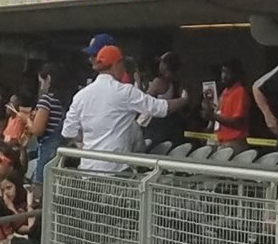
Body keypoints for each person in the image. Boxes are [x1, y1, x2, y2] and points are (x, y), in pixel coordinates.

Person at [61, 44, 190, 172]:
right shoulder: (125, 92)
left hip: (89, 168)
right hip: (117, 169)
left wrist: (92, 139)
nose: (124, 70)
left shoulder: (81, 96)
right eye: (122, 65)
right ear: (116, 64)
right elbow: (160, 108)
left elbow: (68, 131)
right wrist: (184, 100)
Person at [28, 58, 80, 184]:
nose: (41, 86)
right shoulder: (70, 100)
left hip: (47, 151)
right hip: (64, 151)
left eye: (41, 82)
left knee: (41, 186)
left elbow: (37, 130)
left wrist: (27, 119)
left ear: (49, 79)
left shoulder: (46, 100)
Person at [142, 52, 190, 149]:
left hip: (156, 125)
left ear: (165, 65)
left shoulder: (159, 82)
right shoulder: (177, 83)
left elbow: (144, 101)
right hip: (173, 123)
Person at [210, 60, 251, 149]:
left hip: (234, 142)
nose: (223, 76)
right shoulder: (224, 92)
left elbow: (237, 122)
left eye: (227, 73)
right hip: (221, 141)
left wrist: (213, 116)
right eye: (222, 72)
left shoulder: (240, 92)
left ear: (236, 74)